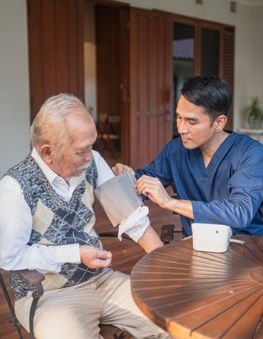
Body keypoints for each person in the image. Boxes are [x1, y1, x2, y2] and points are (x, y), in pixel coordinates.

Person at [0, 94, 171, 339]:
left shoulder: (92, 162)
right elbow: (10, 257)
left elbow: (130, 216)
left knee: (172, 322)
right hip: (49, 296)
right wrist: (75, 253)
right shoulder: (15, 186)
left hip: (104, 281)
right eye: (82, 150)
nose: (91, 157)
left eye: (92, 146)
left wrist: (167, 263)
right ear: (48, 151)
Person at [113, 75, 263, 237]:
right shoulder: (175, 151)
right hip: (196, 245)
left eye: (192, 122)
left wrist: (170, 202)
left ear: (219, 123)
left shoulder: (250, 153)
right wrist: (127, 181)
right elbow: (141, 187)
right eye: (179, 117)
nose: (181, 129)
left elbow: (239, 213)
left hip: (247, 247)